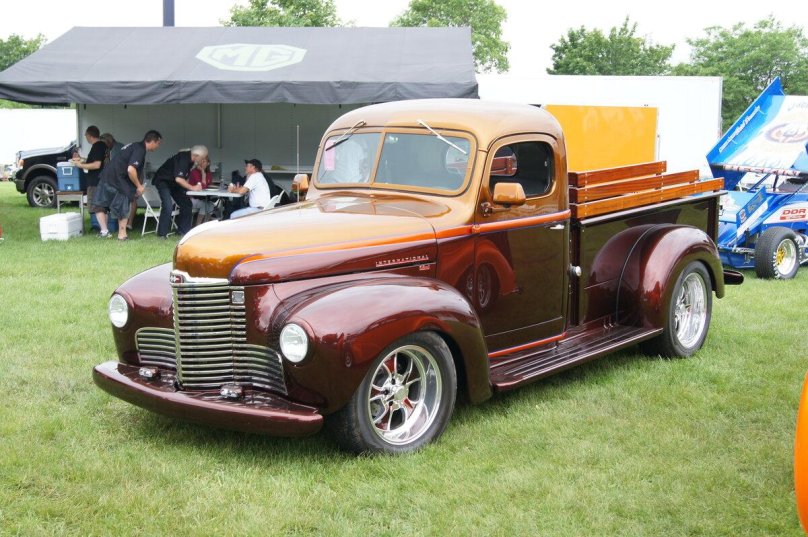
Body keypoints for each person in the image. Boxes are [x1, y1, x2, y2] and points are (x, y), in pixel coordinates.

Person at [93, 130, 162, 240]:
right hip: (118, 179)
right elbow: (131, 170)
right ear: (153, 141)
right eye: (158, 143)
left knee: (100, 204)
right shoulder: (140, 150)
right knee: (123, 205)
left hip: (107, 175)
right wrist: (139, 186)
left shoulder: (134, 145)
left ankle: (104, 231)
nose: (158, 146)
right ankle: (122, 235)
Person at [151, 145, 208, 238]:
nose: (203, 160)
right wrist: (193, 188)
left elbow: (182, 178)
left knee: (186, 203)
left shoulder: (191, 160)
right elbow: (179, 179)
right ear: (197, 156)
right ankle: (162, 234)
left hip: (173, 182)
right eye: (203, 158)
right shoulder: (183, 159)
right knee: (168, 205)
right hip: (163, 181)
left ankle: (183, 231)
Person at [71, 126, 107, 214]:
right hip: (100, 181)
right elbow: (94, 161)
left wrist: (80, 165)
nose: (86, 137)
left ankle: (98, 223)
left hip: (96, 182)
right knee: (100, 208)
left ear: (90, 136)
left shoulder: (98, 146)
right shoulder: (101, 145)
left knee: (96, 208)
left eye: (86, 135)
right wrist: (81, 159)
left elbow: (97, 165)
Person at [187, 155, 215, 225]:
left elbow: (209, 185)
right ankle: (198, 225)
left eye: (204, 161)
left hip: (201, 198)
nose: (202, 163)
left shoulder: (208, 173)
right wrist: (203, 174)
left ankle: (205, 224)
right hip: (191, 199)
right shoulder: (194, 172)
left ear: (208, 163)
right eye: (200, 161)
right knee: (205, 205)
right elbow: (202, 188)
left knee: (211, 205)